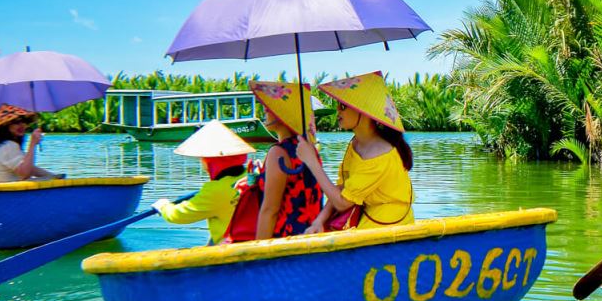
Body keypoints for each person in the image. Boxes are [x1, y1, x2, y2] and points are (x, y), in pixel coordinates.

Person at [305, 72, 415, 232]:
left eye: (343, 106)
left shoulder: (380, 154)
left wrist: (312, 163)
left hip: (390, 226)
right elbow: (343, 187)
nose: (338, 111)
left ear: (362, 111)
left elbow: (343, 202)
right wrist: (319, 221)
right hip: (368, 217)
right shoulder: (356, 144)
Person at [234, 80, 340, 241]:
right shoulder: (309, 148)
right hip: (311, 237)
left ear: (282, 113)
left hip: (285, 242)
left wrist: (258, 255)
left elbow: (270, 210)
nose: (264, 110)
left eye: (269, 106)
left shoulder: (279, 153)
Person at [152, 121, 255, 244]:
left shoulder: (214, 190)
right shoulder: (249, 177)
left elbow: (180, 215)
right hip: (250, 237)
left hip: (233, 246)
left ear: (211, 161)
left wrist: (164, 207)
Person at [0, 105, 64, 183]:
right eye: (16, 122)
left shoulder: (2, 144)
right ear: (6, 125)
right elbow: (24, 173)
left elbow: (30, 169)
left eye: (24, 122)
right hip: (11, 193)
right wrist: (32, 144)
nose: (22, 126)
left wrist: (52, 176)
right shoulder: (8, 146)